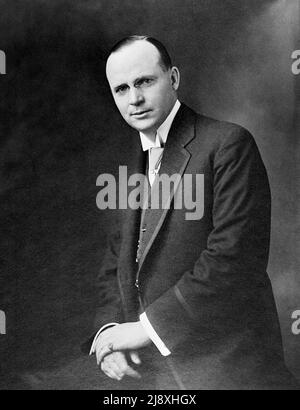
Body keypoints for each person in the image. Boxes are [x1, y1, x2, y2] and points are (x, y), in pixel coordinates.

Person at [82, 35, 299, 389]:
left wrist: (145, 329)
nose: (134, 98)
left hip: (229, 367)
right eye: (121, 89)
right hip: (148, 376)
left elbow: (234, 259)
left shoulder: (228, 144)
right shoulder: (127, 165)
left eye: (144, 82)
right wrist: (107, 338)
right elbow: (115, 262)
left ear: (174, 79)